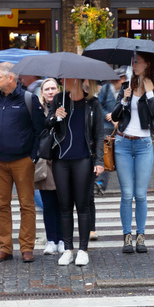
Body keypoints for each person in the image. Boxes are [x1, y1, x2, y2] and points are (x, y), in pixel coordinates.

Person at [0, 62, 45, 264]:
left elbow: (39, 130)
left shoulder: (29, 99)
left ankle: (27, 248)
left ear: (10, 78)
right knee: (1, 205)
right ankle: (5, 248)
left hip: (22, 161)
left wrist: (33, 157)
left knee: (27, 205)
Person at [110, 52, 154, 254]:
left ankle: (140, 236)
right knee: (127, 194)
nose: (133, 65)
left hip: (144, 145)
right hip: (123, 143)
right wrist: (124, 100)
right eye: (132, 61)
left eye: (137, 62)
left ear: (147, 64)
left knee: (140, 194)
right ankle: (127, 236)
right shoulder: (127, 86)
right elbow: (115, 115)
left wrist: (150, 94)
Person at [47, 77, 105, 266]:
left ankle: (83, 250)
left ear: (78, 80)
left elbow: (99, 133)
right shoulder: (59, 99)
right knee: (64, 206)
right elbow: (47, 124)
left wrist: (99, 160)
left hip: (83, 159)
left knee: (83, 206)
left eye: (69, 78)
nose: (64, 81)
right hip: (61, 160)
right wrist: (56, 117)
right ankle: (68, 249)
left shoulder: (92, 103)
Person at [37, 78, 62, 255]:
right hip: (45, 161)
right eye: (47, 89)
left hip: (62, 160)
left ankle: (63, 239)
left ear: (58, 90)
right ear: (42, 93)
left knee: (62, 203)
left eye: (53, 88)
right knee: (48, 204)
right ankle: (51, 239)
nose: (50, 91)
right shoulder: (38, 110)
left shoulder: (66, 107)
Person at [95, 66, 126, 196]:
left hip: (121, 128)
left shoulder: (126, 91)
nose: (123, 81)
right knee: (106, 154)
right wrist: (109, 115)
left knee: (120, 155)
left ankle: (126, 182)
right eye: (121, 79)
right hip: (106, 126)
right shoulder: (106, 89)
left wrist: (119, 118)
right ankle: (100, 183)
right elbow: (99, 105)